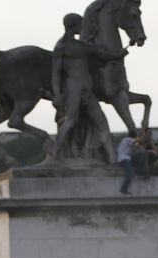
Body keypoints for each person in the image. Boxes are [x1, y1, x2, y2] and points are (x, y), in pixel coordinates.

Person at [51, 13, 126, 163]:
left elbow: (102, 54)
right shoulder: (62, 46)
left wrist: (118, 54)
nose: (82, 27)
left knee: (101, 122)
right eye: (80, 24)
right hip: (73, 87)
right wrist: (57, 94)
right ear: (73, 26)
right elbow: (55, 73)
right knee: (70, 120)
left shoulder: (81, 45)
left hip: (87, 89)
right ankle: (55, 154)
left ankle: (112, 159)